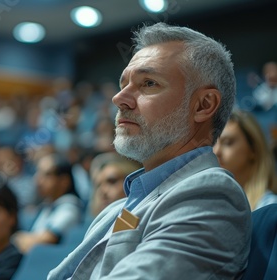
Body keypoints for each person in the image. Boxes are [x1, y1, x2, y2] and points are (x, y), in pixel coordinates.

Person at [48, 22, 251, 279]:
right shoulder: (118, 206)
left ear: (203, 105)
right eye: (124, 84)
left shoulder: (210, 194)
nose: (119, 98)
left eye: (149, 83)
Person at [13, 154, 83, 253]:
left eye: (46, 175)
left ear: (64, 181)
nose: (37, 180)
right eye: (38, 173)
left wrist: (17, 238)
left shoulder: (70, 208)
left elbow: (40, 243)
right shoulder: (48, 205)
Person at [214, 110, 277, 210]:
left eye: (227, 142)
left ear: (254, 149)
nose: (216, 151)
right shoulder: (209, 203)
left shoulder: (269, 207)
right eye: (213, 143)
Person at [89, 152, 142, 217]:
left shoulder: (145, 218)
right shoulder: (92, 225)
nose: (102, 191)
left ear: (132, 182)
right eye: (98, 186)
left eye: (112, 181)